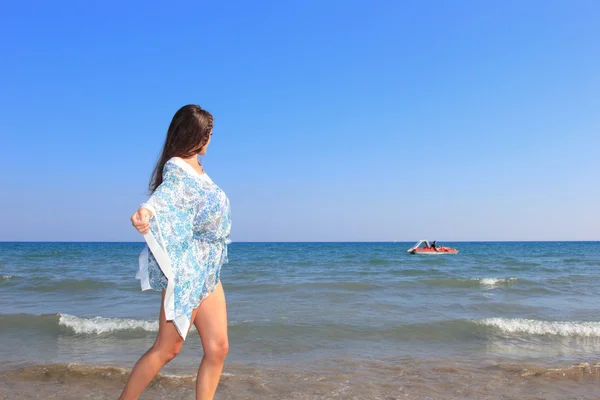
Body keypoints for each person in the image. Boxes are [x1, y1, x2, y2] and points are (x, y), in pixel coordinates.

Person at [121, 105, 232, 400]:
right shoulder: (177, 168)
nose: (210, 140)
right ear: (196, 135)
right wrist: (146, 211)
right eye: (208, 134)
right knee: (167, 348)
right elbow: (167, 196)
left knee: (218, 348)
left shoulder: (198, 170)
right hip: (189, 269)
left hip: (209, 269)